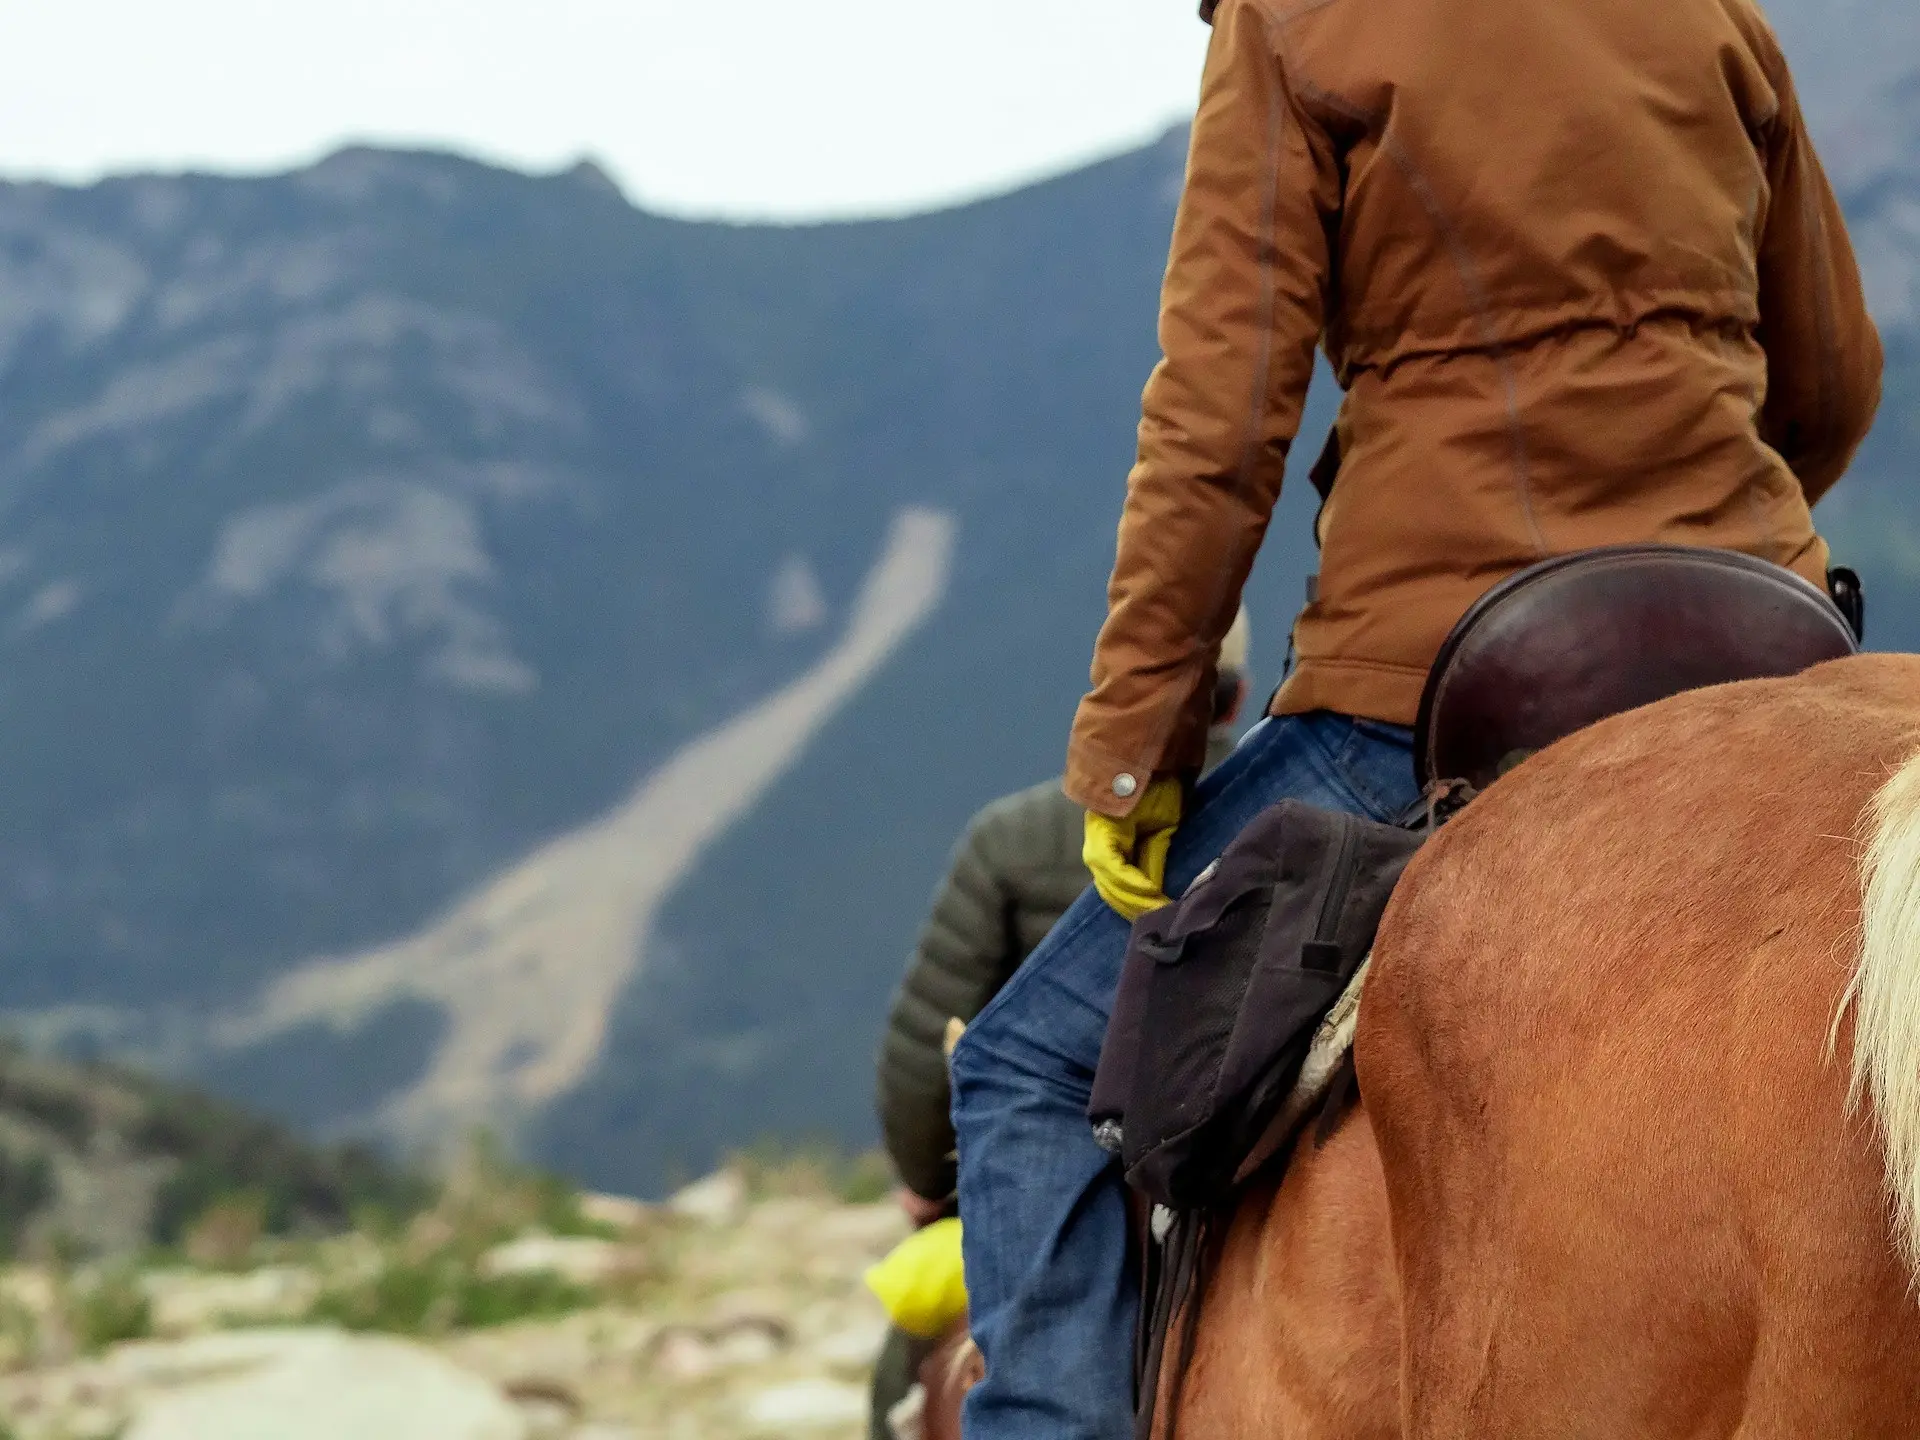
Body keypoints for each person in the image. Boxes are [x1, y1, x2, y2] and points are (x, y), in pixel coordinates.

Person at [946, 0, 1883, 1433]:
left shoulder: (1299, 20)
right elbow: (1826, 379)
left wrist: (1135, 753)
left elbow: (1219, 428)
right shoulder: (1717, 12)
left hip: (1437, 676)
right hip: (1757, 634)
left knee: (1028, 1069)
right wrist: (1691, 551)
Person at [868, 615, 1251, 1440]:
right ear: (1239, 697)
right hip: (1252, 1157)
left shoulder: (1014, 839)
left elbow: (922, 1047)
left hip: (1072, 1166)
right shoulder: (1307, 816)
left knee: (907, 1368)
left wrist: (930, 1183)